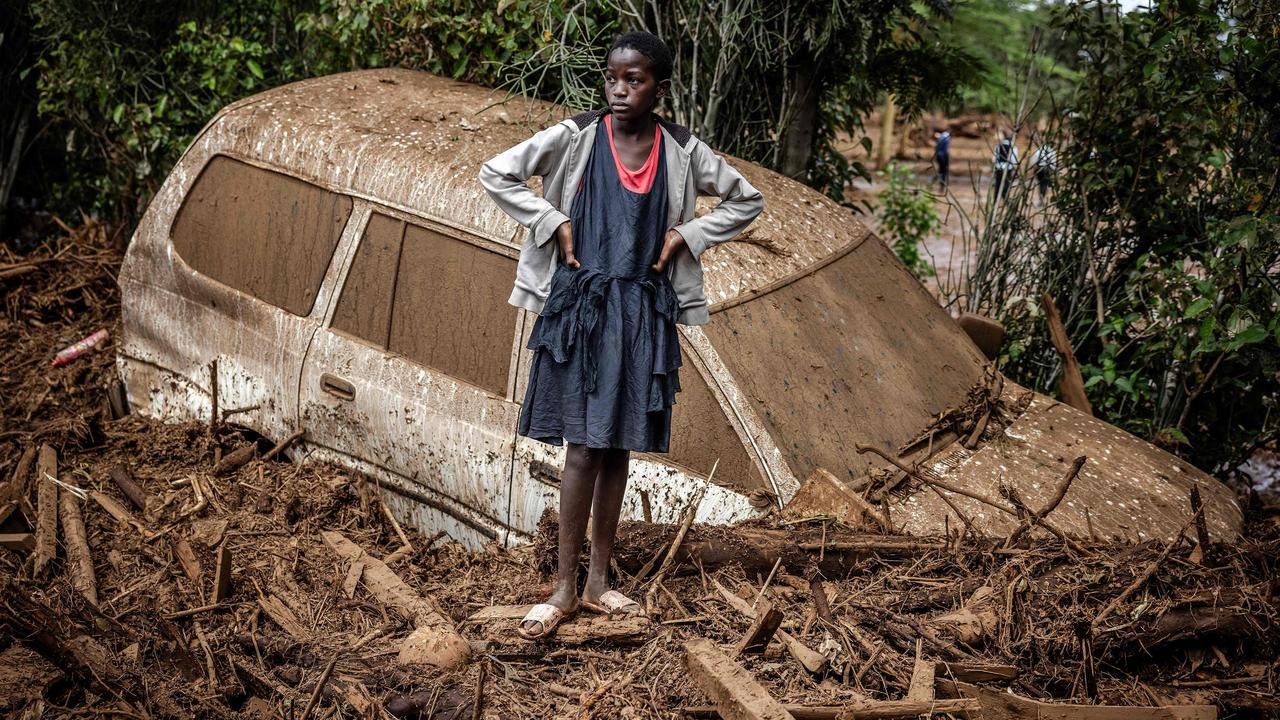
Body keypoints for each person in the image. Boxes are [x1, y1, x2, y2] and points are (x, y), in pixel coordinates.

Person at [479, 31, 763, 639]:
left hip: (642, 313)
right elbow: (497, 172)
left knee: (616, 450)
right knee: (581, 448)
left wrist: (688, 235)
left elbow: (747, 199)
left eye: (634, 80)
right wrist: (551, 220)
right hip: (582, 310)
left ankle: (600, 582)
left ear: (660, 87)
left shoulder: (682, 150)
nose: (619, 89)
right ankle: (562, 587)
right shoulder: (577, 136)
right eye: (613, 78)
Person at [991, 131, 1017, 200]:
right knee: (1006, 185)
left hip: (999, 168)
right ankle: (1005, 198)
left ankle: (996, 200)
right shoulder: (1013, 148)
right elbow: (1014, 160)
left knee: (997, 185)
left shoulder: (998, 146)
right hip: (1008, 169)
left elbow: (994, 159)